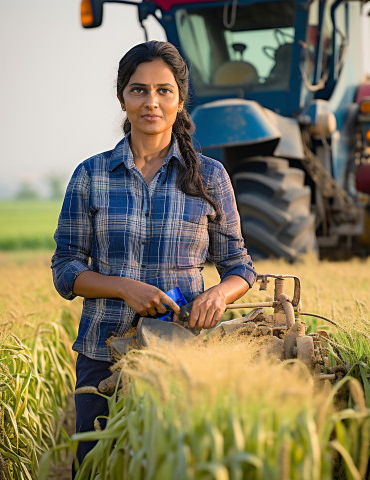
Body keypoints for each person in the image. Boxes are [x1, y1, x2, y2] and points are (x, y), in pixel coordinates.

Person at [51, 40, 256, 474]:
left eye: (164, 91)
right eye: (139, 90)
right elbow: (66, 268)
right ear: (122, 98)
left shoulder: (211, 177)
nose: (151, 102)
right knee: (96, 467)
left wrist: (219, 295)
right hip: (102, 355)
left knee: (177, 468)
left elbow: (239, 267)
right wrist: (124, 288)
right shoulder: (90, 176)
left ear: (181, 101)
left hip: (184, 355)